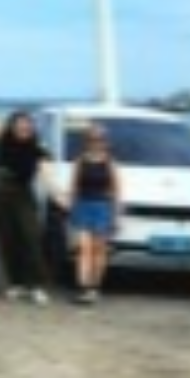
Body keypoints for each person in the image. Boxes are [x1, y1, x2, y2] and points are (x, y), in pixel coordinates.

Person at [0, 94, 65, 305]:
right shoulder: (5, 138)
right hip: (2, 192)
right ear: (13, 126)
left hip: (23, 194)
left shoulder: (38, 149)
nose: (23, 127)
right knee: (8, 239)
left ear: (31, 128)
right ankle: (16, 284)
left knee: (31, 237)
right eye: (20, 124)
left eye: (27, 124)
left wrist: (58, 194)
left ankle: (37, 285)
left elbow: (46, 175)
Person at [67, 122, 121, 305]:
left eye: (100, 139)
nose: (96, 142)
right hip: (82, 206)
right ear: (87, 141)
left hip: (102, 207)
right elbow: (73, 187)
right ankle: (82, 288)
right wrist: (71, 209)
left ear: (105, 142)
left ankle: (94, 287)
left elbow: (116, 190)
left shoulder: (110, 162)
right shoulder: (80, 161)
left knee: (99, 250)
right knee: (84, 249)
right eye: (92, 139)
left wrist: (116, 216)